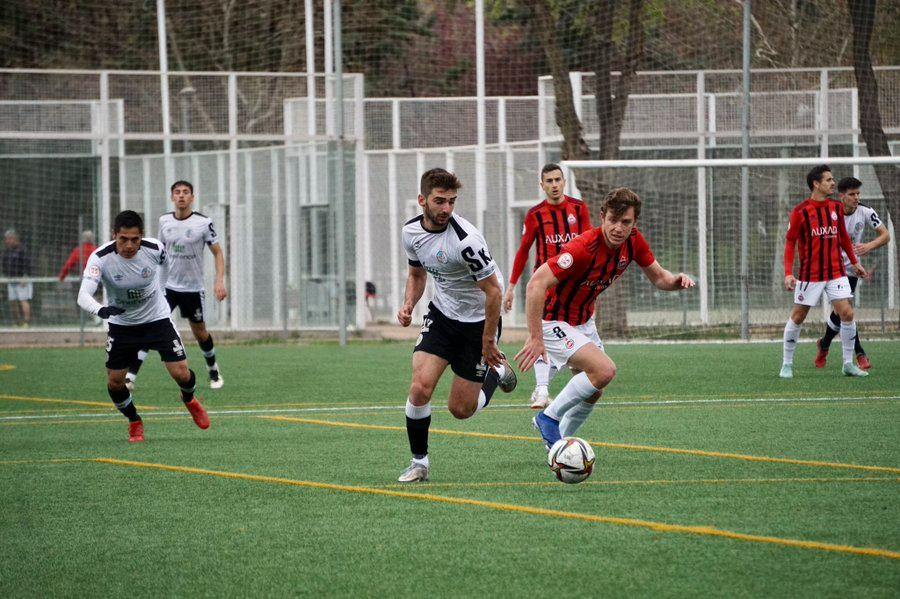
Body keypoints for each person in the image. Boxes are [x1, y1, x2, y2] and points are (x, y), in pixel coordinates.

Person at [515, 187, 695, 451]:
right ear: (602, 216)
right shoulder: (582, 248)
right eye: (613, 219)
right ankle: (547, 417)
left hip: (584, 321)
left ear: (635, 223)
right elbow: (535, 285)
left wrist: (676, 281)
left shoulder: (634, 241)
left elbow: (659, 278)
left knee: (594, 390)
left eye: (626, 222)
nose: (618, 228)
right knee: (604, 370)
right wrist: (535, 337)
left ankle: (557, 447)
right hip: (554, 320)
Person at [396, 168, 518, 482]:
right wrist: (409, 303)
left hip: (479, 323)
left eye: (451, 201)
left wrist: (488, 341)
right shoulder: (411, 232)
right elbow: (417, 274)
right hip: (442, 316)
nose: (446, 209)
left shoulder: (467, 242)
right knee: (420, 387)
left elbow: (493, 291)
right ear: (422, 200)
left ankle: (495, 371)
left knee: (461, 410)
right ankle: (419, 463)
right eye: (439, 201)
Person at [77, 210, 210, 442]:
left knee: (181, 373)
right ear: (114, 235)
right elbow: (83, 295)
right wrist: (101, 310)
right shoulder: (100, 258)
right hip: (122, 325)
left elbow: (166, 266)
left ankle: (189, 399)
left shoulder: (155, 248)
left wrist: (159, 289)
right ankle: (134, 420)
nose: (129, 245)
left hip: (157, 320)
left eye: (135, 239)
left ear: (142, 236)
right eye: (123, 239)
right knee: (115, 382)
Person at [503, 163, 591, 409]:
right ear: (542, 185)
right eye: (549, 181)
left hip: (575, 289)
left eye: (557, 180)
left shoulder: (579, 209)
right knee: (544, 336)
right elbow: (523, 252)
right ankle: (542, 391)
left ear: (564, 182)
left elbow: (590, 245)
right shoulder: (535, 214)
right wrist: (511, 287)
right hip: (547, 288)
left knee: (578, 344)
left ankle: (543, 389)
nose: (554, 185)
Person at [126, 180, 228, 391]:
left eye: (186, 192)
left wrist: (219, 281)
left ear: (192, 197)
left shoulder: (203, 222)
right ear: (172, 197)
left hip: (193, 288)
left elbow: (218, 253)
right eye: (177, 192)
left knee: (200, 333)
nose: (181, 196)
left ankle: (213, 371)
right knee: (150, 326)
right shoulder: (164, 221)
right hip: (167, 287)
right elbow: (158, 252)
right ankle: (131, 375)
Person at [780, 165, 868, 379]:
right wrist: (788, 273)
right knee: (799, 316)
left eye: (832, 179)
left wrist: (854, 263)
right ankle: (787, 364)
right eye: (828, 180)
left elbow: (843, 238)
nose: (832, 183)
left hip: (837, 271)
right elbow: (790, 242)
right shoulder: (800, 211)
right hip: (811, 275)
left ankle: (848, 363)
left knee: (846, 313)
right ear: (816, 184)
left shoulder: (836, 208)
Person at [814, 177, 890, 370]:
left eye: (858, 194)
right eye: (852, 194)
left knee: (841, 313)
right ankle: (860, 353)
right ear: (842, 196)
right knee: (845, 312)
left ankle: (824, 344)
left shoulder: (865, 211)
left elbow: (885, 235)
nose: (856, 198)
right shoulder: (830, 211)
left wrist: (868, 246)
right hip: (830, 268)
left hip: (851, 269)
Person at [3, 229, 33, 327]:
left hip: (22, 280)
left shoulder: (23, 250)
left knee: (23, 300)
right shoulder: (7, 251)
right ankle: (17, 322)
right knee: (12, 302)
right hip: (11, 279)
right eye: (6, 239)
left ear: (14, 238)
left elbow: (28, 264)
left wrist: (25, 276)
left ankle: (26, 322)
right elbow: (4, 265)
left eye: (9, 239)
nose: (7, 241)